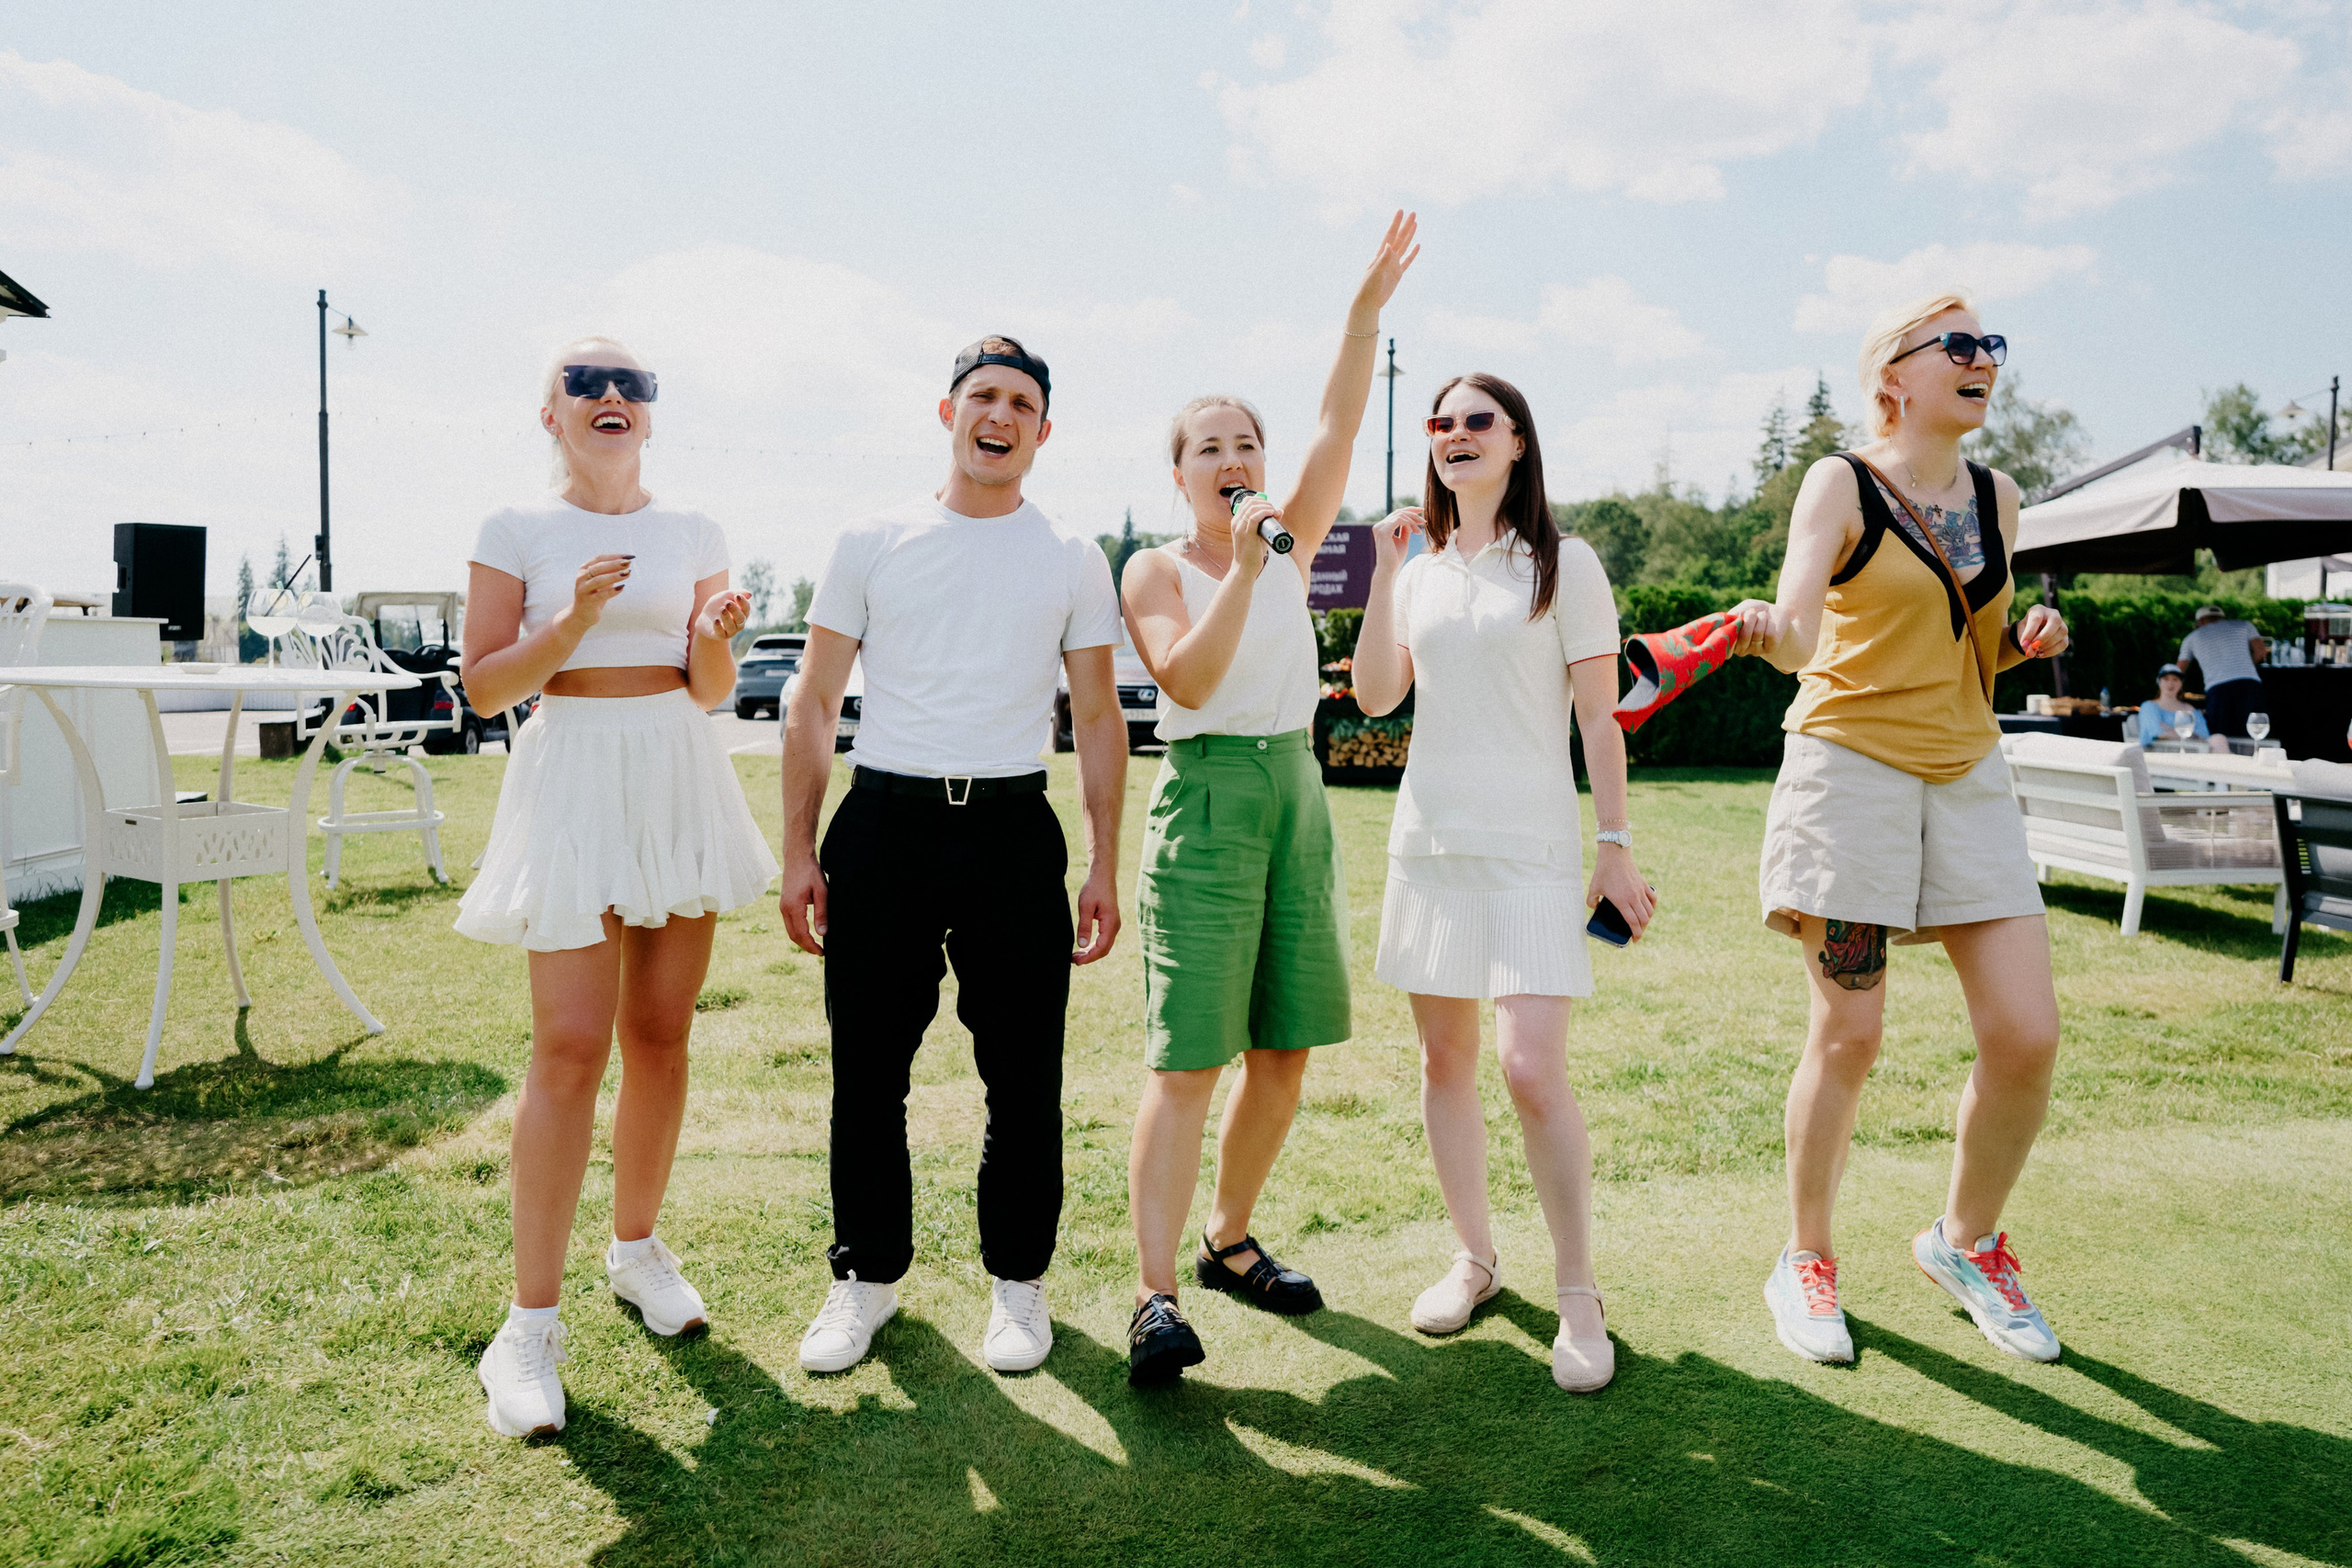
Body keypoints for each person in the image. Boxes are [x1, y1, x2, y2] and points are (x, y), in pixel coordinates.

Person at [1727, 293, 2074, 1367]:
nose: (1983, 363)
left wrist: (2025, 641)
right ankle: (1807, 1259)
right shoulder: (1840, 481)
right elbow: (1797, 633)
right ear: (1896, 377)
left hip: (1966, 768)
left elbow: (1968, 649)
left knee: (2026, 1035)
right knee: (1850, 1034)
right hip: (1850, 772)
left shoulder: (1998, 496)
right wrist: (1764, 633)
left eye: (1991, 348)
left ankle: (1963, 1245)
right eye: (1959, 346)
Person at [780, 336, 1126, 1379]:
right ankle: (866, 1281)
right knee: (866, 1072)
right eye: (984, 395)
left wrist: (1104, 861)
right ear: (948, 412)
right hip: (884, 824)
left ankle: (1018, 1289)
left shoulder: (1070, 556)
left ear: (1043, 431)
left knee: (1023, 1079)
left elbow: (1100, 716)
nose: (1001, 414)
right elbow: (811, 698)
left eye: (1022, 402)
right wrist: (797, 849)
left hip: (1013, 830)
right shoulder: (873, 538)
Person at [457, 337, 780, 1439]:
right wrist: (575, 623)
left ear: (650, 413)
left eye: (631, 385)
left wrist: (707, 635)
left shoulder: (692, 530)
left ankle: (637, 1251)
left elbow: (709, 690)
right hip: (574, 770)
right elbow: (487, 687)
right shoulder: (516, 529)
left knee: (660, 1032)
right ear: (547, 412)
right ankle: (528, 1329)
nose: (610, 396)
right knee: (568, 1046)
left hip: (673, 769)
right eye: (585, 384)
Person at [1120, 213, 1419, 1386]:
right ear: (1179, 471)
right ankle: (1151, 1298)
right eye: (1210, 445)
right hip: (1204, 802)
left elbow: (1343, 417)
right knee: (1188, 1065)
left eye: (1247, 441)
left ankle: (1227, 1241)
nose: (1234, 455)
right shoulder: (1158, 566)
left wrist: (1359, 315)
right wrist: (1243, 567)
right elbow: (1184, 675)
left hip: (1298, 789)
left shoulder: (1286, 540)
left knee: (1285, 1053)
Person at [1351, 372, 1653, 1394]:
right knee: (1444, 1065)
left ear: (1519, 444)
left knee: (1529, 1069)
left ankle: (1577, 1291)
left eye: (1479, 421)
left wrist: (1613, 844)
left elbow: (1598, 720)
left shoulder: (1567, 565)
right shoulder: (1419, 569)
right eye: (1442, 423)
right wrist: (1386, 572)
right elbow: (1377, 698)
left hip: (1530, 851)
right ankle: (1474, 1260)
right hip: (1428, 848)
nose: (1456, 435)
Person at [2177, 606, 2268, 740]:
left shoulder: (2191, 638)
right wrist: (2245, 665)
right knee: (2252, 734)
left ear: (2200, 621)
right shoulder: (2244, 625)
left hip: (2218, 689)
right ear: (2222, 618)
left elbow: (2178, 670)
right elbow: (2261, 652)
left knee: (2221, 736)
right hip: (2249, 684)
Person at [2136, 663, 2226, 751]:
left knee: (2218, 739)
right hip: (2164, 752)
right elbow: (2157, 733)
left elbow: (2204, 735)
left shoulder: (2189, 708)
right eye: (2166, 679)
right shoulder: (2149, 706)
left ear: (2181, 683)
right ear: (2159, 682)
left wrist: (2171, 730)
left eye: (2175, 679)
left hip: (2195, 750)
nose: (2170, 683)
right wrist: (2191, 735)